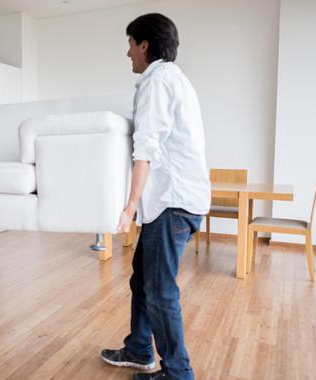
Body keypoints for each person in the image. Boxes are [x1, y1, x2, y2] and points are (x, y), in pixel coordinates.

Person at [100, 13, 210, 380]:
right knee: (142, 279)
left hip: (172, 203)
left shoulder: (157, 82)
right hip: (176, 202)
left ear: (144, 44)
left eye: (130, 44)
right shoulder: (174, 79)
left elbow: (145, 148)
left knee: (161, 291)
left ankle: (178, 373)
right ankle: (139, 349)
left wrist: (130, 206)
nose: (127, 52)